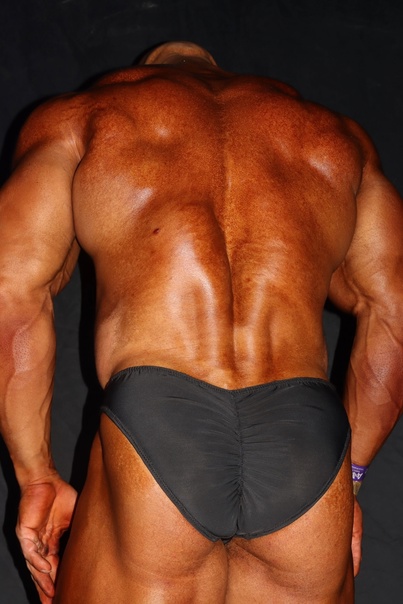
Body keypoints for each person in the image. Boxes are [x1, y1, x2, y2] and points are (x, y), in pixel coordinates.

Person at [0, 40, 402, 604]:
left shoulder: (84, 118)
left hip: (159, 422)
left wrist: (36, 476)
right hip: (305, 438)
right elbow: (393, 314)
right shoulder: (336, 140)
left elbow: (12, 292)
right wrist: (349, 476)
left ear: (142, 71)